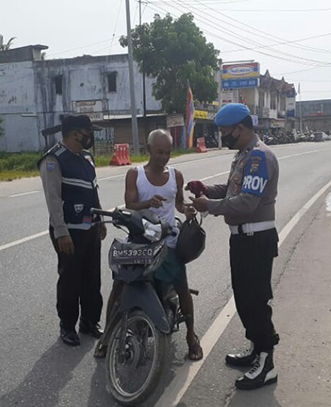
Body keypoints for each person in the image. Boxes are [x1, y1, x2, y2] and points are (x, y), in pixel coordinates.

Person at [188, 103, 280, 390]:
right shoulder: (243, 156)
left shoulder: (259, 158)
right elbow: (232, 191)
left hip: (256, 239)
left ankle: (267, 363)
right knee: (243, 299)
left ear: (240, 129)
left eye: (225, 132)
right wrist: (204, 189)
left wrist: (210, 206)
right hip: (241, 239)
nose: (223, 137)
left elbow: (247, 203)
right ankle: (256, 349)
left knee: (255, 300)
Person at [94, 129, 204, 361]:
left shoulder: (176, 175)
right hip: (139, 239)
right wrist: (148, 202)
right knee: (119, 285)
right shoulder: (135, 174)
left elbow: (179, 204)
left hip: (168, 241)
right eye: (159, 152)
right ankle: (106, 338)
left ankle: (191, 337)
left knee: (182, 286)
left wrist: (187, 210)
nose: (164, 157)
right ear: (148, 151)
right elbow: (130, 204)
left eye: (168, 152)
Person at [39, 115, 108, 347]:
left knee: (92, 278)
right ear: (75, 133)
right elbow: (53, 199)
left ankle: (90, 321)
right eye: (88, 132)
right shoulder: (53, 160)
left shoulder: (86, 158)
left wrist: (100, 219)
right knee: (70, 279)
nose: (91, 137)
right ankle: (67, 326)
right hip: (69, 231)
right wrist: (61, 232)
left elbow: (92, 189)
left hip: (90, 227)